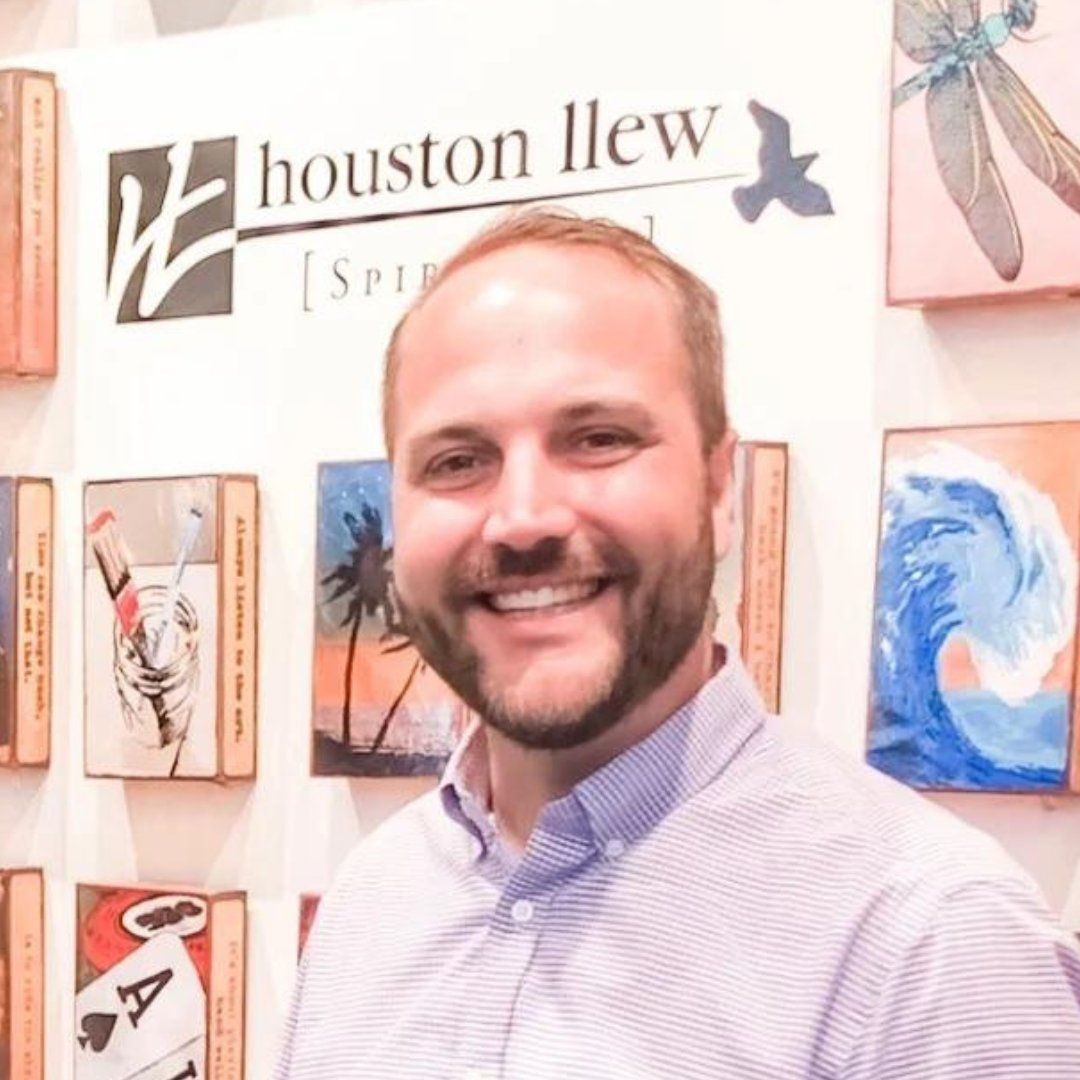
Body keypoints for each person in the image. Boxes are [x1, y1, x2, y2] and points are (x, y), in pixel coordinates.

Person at [275, 209, 1080, 1079]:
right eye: (457, 461)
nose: (522, 518)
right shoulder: (373, 900)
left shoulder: (929, 948)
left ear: (718, 488)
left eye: (599, 439)